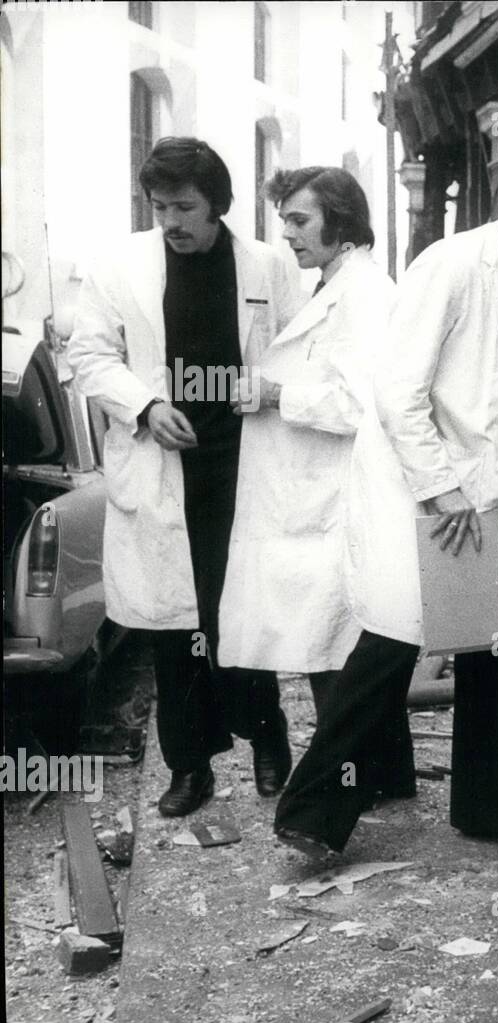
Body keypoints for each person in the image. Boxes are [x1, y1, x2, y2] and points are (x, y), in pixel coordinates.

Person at [274, 173, 498, 857]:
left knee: (492, 647)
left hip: (466, 492)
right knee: (394, 644)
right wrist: (440, 491)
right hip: (426, 488)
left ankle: (485, 799)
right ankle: (311, 810)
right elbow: (396, 391)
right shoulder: (453, 266)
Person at [68, 137, 301, 817]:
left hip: (240, 464)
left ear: (216, 205)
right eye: (160, 205)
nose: (171, 219)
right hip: (161, 464)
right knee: (172, 630)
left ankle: (266, 737)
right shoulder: (120, 267)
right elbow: (88, 354)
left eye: (185, 206)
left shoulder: (265, 262)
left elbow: (295, 348)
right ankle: (189, 767)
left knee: (243, 611)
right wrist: (144, 405)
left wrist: (265, 389)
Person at [218, 167, 400, 763]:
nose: (288, 235)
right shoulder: (333, 284)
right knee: (332, 646)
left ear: (340, 222)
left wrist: (276, 396)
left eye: (300, 220)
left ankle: (351, 783)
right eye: (284, 222)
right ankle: (378, 779)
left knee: (337, 650)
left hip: (339, 499)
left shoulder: (366, 294)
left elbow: (365, 405)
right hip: (314, 497)